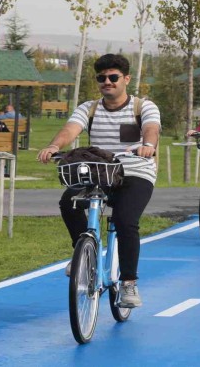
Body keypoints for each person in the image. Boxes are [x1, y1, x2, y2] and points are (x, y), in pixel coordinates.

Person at [37, 53, 160, 308]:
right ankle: (83, 254)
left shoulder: (143, 107)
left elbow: (151, 129)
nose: (107, 82)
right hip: (100, 171)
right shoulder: (89, 108)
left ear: (126, 79)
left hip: (135, 171)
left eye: (113, 77)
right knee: (69, 202)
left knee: (125, 221)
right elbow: (70, 129)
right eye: (101, 78)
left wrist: (148, 145)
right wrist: (54, 146)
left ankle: (128, 283)